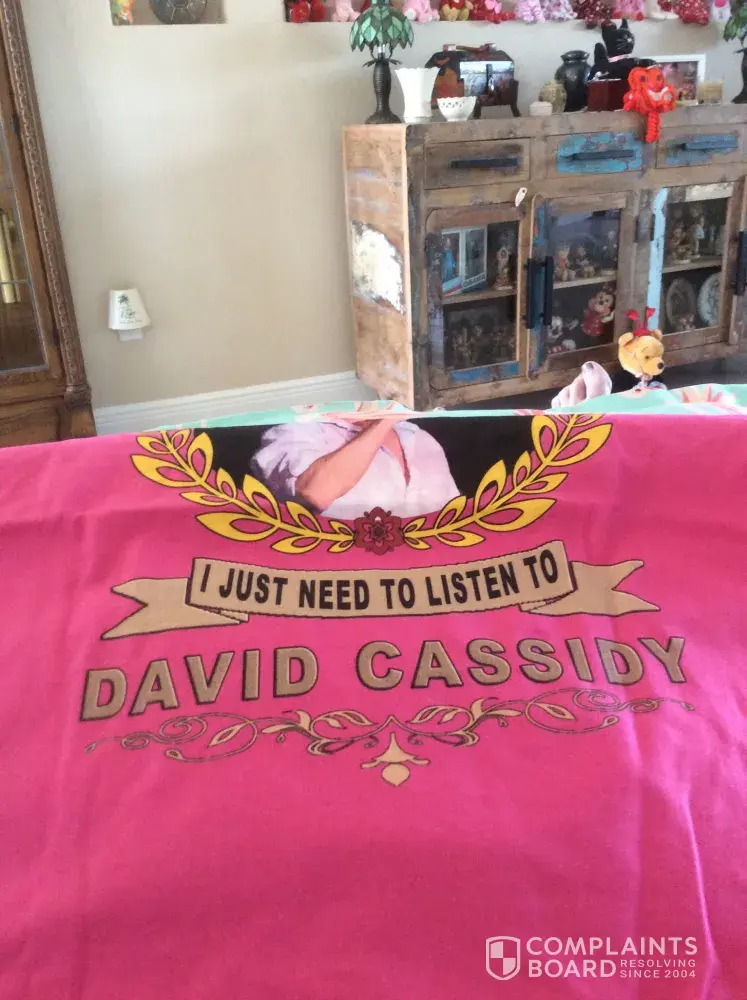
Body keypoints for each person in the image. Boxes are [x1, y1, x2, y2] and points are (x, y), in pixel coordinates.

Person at [250, 409, 458, 519]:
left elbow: (455, 518)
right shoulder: (296, 431)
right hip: (342, 581)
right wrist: (385, 418)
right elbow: (316, 492)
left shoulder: (420, 438)